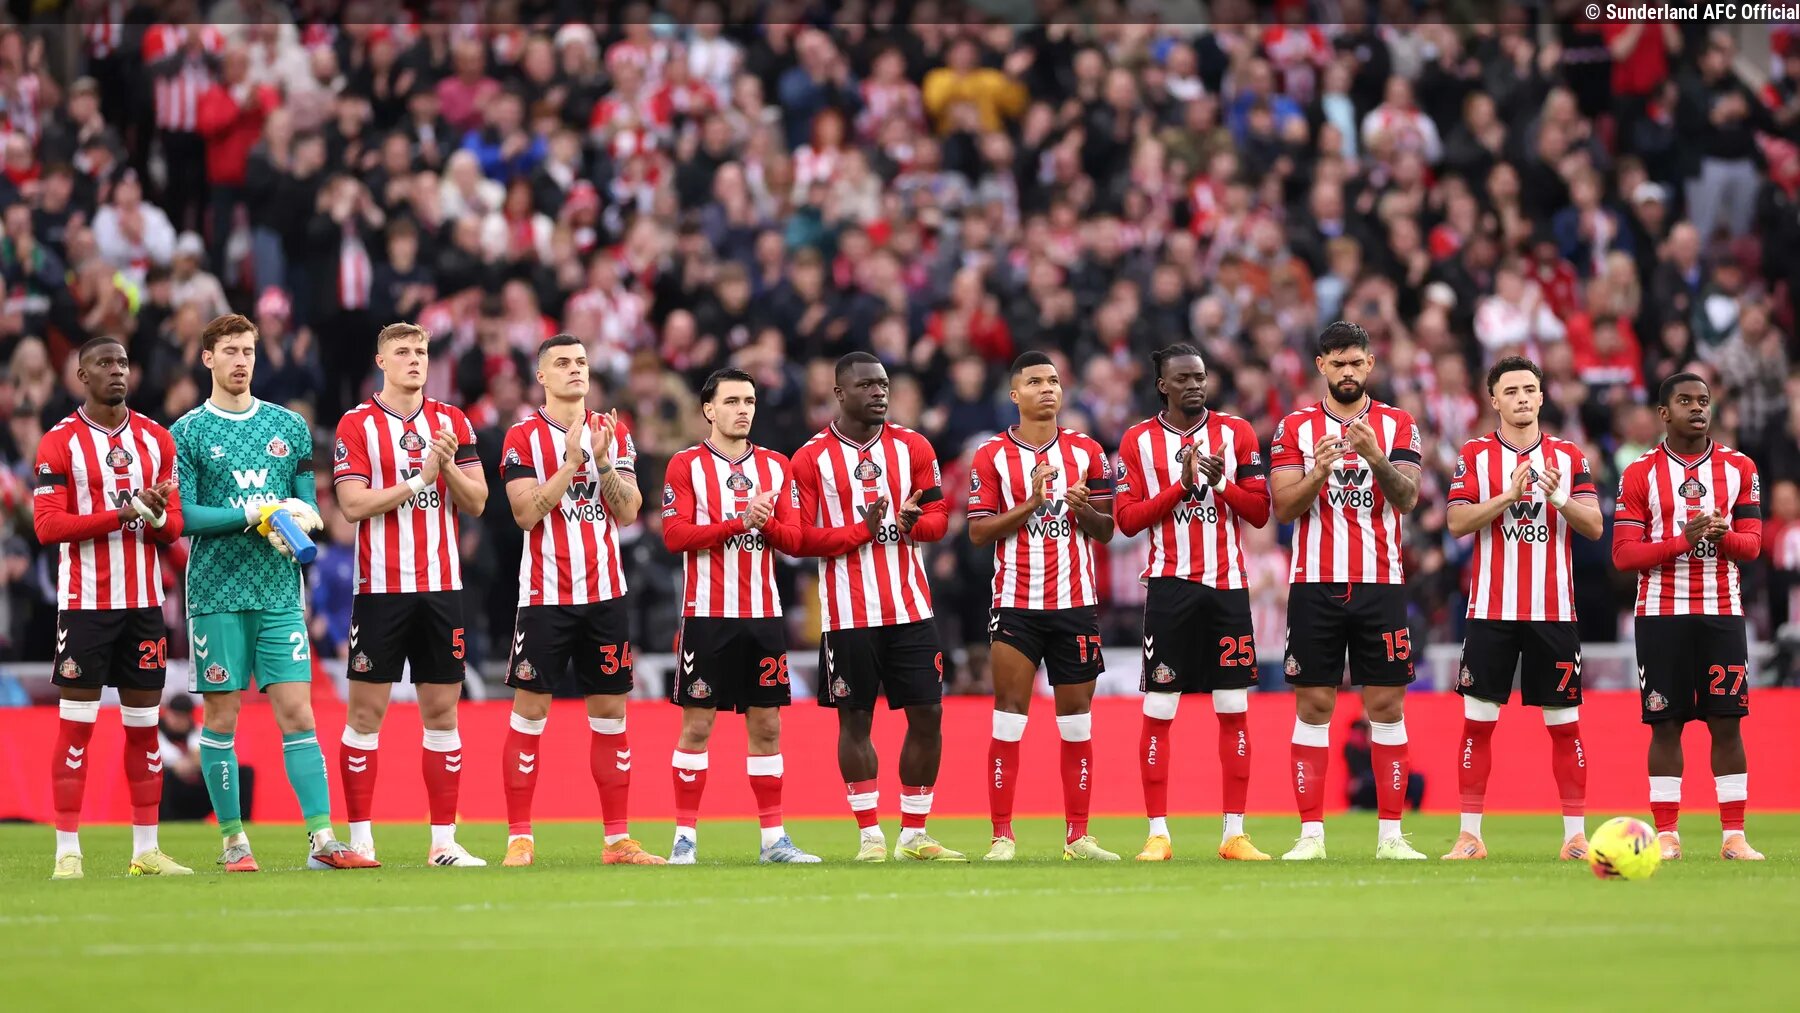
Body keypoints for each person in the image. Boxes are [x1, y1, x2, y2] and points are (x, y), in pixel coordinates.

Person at [169, 313, 374, 871]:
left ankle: (323, 841)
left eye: (248, 351)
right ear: (208, 358)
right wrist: (252, 513)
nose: (241, 361)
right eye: (230, 351)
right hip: (216, 592)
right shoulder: (187, 432)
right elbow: (184, 516)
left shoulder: (289, 426)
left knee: (299, 714)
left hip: (280, 592)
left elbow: (306, 501)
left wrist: (303, 517)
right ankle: (234, 842)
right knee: (222, 716)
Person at [660, 367, 876, 864]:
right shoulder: (685, 465)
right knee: (698, 726)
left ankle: (773, 840)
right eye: (732, 401)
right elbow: (675, 536)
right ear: (708, 409)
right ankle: (684, 839)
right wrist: (739, 522)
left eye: (750, 401)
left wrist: (771, 526)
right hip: (706, 615)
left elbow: (796, 539)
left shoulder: (778, 466)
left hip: (762, 615)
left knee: (767, 727)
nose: (743, 410)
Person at [788, 351, 963, 862]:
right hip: (847, 614)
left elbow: (940, 517)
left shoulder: (914, 446)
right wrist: (859, 531)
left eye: (883, 384)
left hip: (911, 608)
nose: (879, 392)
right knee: (855, 720)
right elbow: (797, 538)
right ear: (839, 393)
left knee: (928, 715)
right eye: (867, 385)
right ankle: (870, 835)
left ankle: (914, 834)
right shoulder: (810, 458)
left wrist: (914, 524)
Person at [497, 334, 663, 867]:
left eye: (582, 362)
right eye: (563, 363)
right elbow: (525, 513)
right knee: (530, 714)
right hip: (545, 596)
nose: (575, 370)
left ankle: (617, 840)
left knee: (611, 716)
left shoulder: (614, 430)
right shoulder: (523, 436)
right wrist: (570, 464)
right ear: (541, 376)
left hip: (606, 596)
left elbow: (630, 512)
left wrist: (605, 462)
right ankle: (519, 838)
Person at [331, 322, 488, 866]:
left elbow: (477, 502)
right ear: (381, 361)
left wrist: (445, 468)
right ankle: (360, 838)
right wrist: (420, 480)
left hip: (442, 588)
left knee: (443, 714)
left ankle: (443, 842)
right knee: (365, 715)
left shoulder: (452, 421)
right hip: (381, 588)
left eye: (421, 351)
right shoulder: (357, 423)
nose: (415, 359)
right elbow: (352, 505)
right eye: (403, 352)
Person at [1269, 321, 1426, 861]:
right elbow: (1283, 508)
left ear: (1370, 364)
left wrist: (1376, 457)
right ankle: (1311, 836)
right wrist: (1317, 472)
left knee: (1386, 705)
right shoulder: (1294, 427)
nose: (1348, 372)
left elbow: (1408, 499)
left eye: (1357, 362)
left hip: (1381, 584)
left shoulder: (1398, 424)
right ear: (1321, 366)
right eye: (1338, 363)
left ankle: (1391, 837)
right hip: (1314, 584)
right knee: (1314, 704)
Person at [34, 337, 190, 879]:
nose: (117, 371)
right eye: (104, 363)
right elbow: (47, 526)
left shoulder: (156, 438)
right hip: (85, 606)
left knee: (145, 729)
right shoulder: (60, 442)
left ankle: (146, 850)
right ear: (82, 375)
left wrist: (154, 514)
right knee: (76, 729)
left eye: (123, 362)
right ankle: (67, 852)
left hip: (144, 605)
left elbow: (173, 527)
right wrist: (122, 514)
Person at [1113, 343, 1272, 863]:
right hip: (1170, 587)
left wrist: (1219, 481)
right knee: (1160, 707)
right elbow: (1127, 520)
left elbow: (1260, 512)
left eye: (1200, 377)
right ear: (1163, 385)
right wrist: (1180, 487)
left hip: (1227, 588)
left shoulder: (1237, 432)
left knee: (1233, 708)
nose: (1194, 385)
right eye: (1183, 378)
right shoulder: (1137, 441)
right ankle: (1158, 833)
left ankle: (1234, 834)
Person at [1442, 355, 1605, 861]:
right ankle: (1470, 836)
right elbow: (1456, 522)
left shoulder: (1568, 455)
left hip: (1553, 611)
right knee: (1478, 723)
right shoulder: (1475, 455)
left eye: (1529, 389)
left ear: (1541, 396)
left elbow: (1595, 526)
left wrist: (1559, 499)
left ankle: (1574, 837)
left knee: (1565, 725)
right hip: (1491, 611)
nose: (1521, 399)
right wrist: (1507, 496)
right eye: (1510, 391)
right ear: (1494, 400)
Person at [967, 351, 1119, 861]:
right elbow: (977, 531)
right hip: (1016, 604)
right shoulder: (991, 455)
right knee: (1009, 718)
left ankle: (1078, 836)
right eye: (1034, 382)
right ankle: (1001, 836)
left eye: (1053, 380)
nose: (1047, 388)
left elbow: (1107, 529)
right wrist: (1031, 504)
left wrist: (1083, 510)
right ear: (1015, 395)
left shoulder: (1088, 450)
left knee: (1077, 722)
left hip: (1076, 605)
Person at [1612, 372, 1764, 861]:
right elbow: (1623, 554)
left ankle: (1733, 836)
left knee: (1727, 722)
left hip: (1722, 610)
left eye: (1703, 400)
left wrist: (1721, 536)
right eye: (1685, 401)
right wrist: (1684, 540)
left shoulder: (1740, 467)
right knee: (1666, 723)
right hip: (1661, 613)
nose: (1697, 408)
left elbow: (1752, 546)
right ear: (1664, 413)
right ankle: (1667, 835)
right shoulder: (1639, 472)